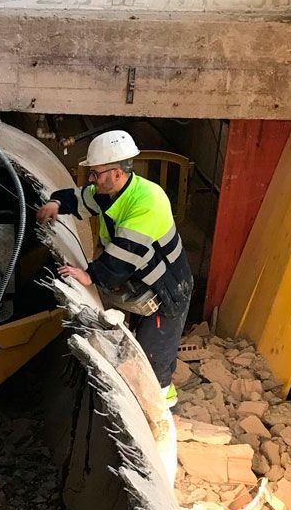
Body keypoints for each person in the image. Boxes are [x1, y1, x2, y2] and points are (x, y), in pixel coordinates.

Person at [37, 130, 193, 406]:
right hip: (143, 283)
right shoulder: (111, 192)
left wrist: (89, 275)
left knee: (153, 364)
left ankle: (162, 416)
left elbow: (123, 256)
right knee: (142, 349)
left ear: (117, 173)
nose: (92, 180)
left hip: (167, 290)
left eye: (96, 174)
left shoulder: (147, 202)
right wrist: (57, 202)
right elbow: (80, 198)